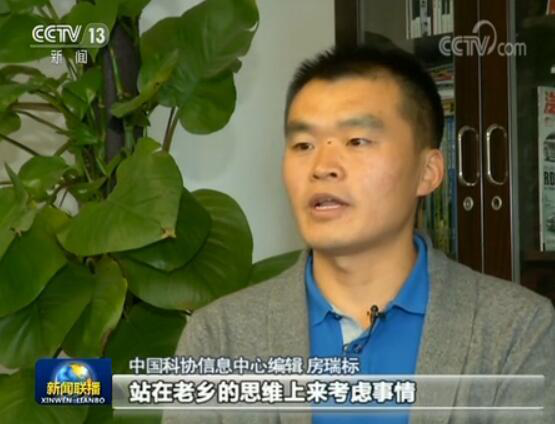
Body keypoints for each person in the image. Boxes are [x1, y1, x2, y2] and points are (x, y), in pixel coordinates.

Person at [164, 45, 555, 424]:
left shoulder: (515, 329)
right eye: (303, 144)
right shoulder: (220, 338)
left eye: (356, 141)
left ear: (428, 172)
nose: (322, 166)